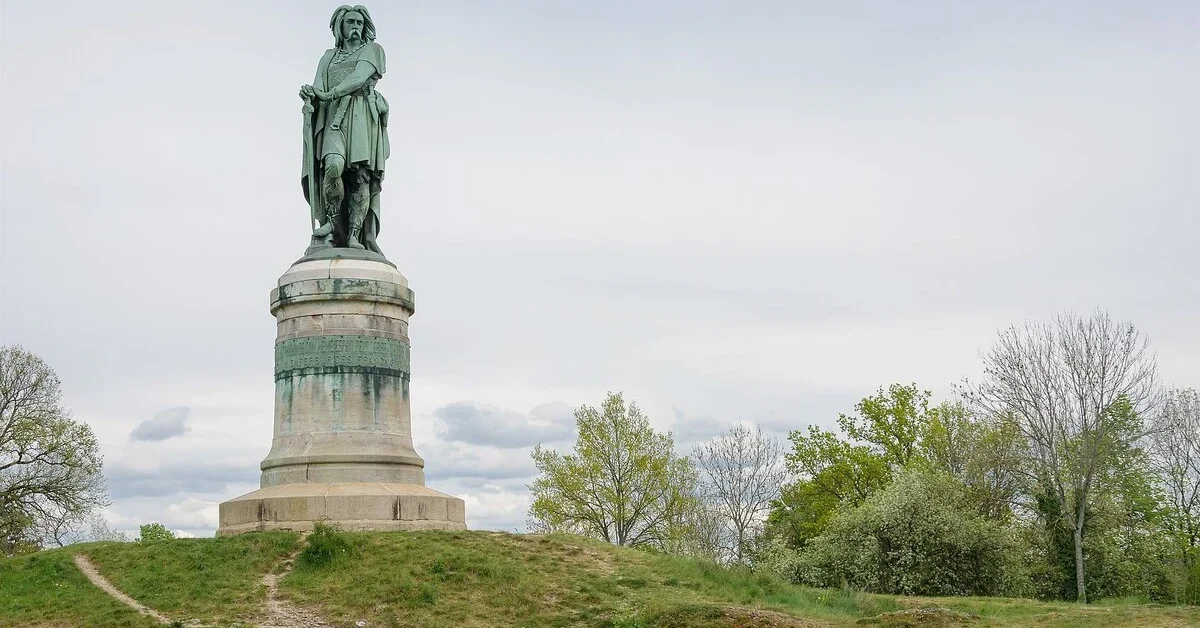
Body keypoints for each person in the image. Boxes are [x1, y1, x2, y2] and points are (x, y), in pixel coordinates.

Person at [300, 5, 389, 253]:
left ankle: (354, 234)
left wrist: (327, 94)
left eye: (359, 23)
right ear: (341, 26)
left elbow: (359, 78)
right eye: (350, 22)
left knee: (360, 175)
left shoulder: (373, 50)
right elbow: (319, 87)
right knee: (333, 166)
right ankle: (332, 223)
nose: (355, 27)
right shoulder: (327, 57)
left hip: (361, 114)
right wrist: (311, 95)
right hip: (333, 119)